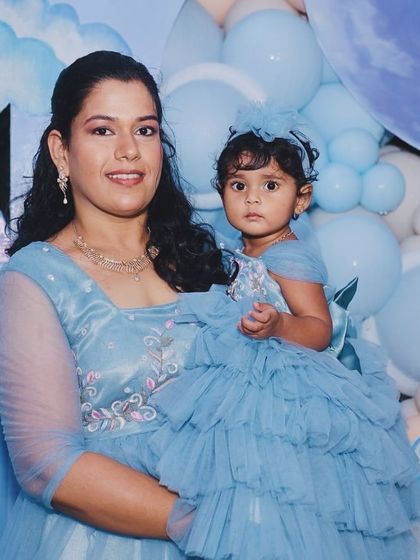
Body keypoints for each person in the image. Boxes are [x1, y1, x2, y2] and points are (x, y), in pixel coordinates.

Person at [146, 104, 420, 560]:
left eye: (270, 186)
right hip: (244, 370)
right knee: (239, 473)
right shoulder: (243, 249)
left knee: (279, 481)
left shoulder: (289, 257)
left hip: (285, 383)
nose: (253, 198)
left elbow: (318, 329)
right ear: (221, 192)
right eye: (239, 185)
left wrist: (278, 324)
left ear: (302, 198)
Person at [0, 50, 230, 559]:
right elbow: (45, 463)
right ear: (61, 150)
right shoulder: (34, 278)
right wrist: (214, 525)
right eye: (103, 130)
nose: (129, 151)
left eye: (145, 130)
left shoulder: (205, 261)